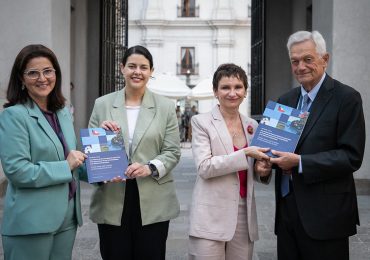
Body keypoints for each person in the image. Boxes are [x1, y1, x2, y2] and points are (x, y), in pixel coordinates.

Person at [256, 30, 366, 260]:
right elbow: (272, 152)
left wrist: (301, 162)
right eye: (294, 61)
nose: (301, 67)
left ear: (324, 60)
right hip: (287, 213)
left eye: (308, 59)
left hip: (326, 216)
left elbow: (351, 156)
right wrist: (264, 167)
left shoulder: (346, 98)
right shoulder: (284, 101)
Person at [88, 45, 181, 260]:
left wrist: (149, 167)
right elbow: (91, 154)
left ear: (151, 71)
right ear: (122, 68)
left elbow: (172, 151)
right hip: (112, 195)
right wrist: (102, 136)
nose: (137, 72)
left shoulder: (165, 107)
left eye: (143, 67)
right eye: (131, 66)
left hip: (153, 196)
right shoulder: (102, 104)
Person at [0, 44, 87, 260]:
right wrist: (66, 166)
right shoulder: (13, 116)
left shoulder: (62, 112)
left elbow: (72, 158)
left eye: (48, 71)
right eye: (33, 73)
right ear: (21, 79)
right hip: (31, 221)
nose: (42, 78)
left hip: (67, 217)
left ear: (56, 73)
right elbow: (18, 171)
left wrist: (103, 170)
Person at [188, 63, 271, 260]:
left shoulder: (252, 125)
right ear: (215, 92)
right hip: (211, 213)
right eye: (225, 87)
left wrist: (262, 170)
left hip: (244, 213)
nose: (232, 93)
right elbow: (204, 167)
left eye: (238, 87)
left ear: (245, 91)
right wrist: (245, 154)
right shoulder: (201, 122)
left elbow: (253, 170)